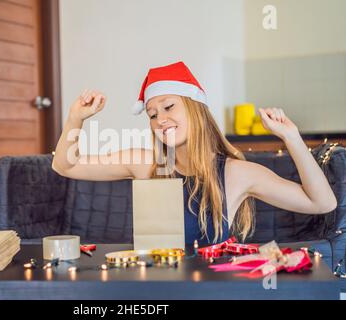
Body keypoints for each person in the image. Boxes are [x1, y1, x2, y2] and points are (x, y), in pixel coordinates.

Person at [52, 61, 337, 245]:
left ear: (195, 109)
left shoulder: (236, 173)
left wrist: (292, 138)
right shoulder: (146, 164)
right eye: (151, 114)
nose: (160, 119)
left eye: (168, 107)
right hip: (154, 292)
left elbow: (321, 203)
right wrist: (76, 118)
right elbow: (65, 166)